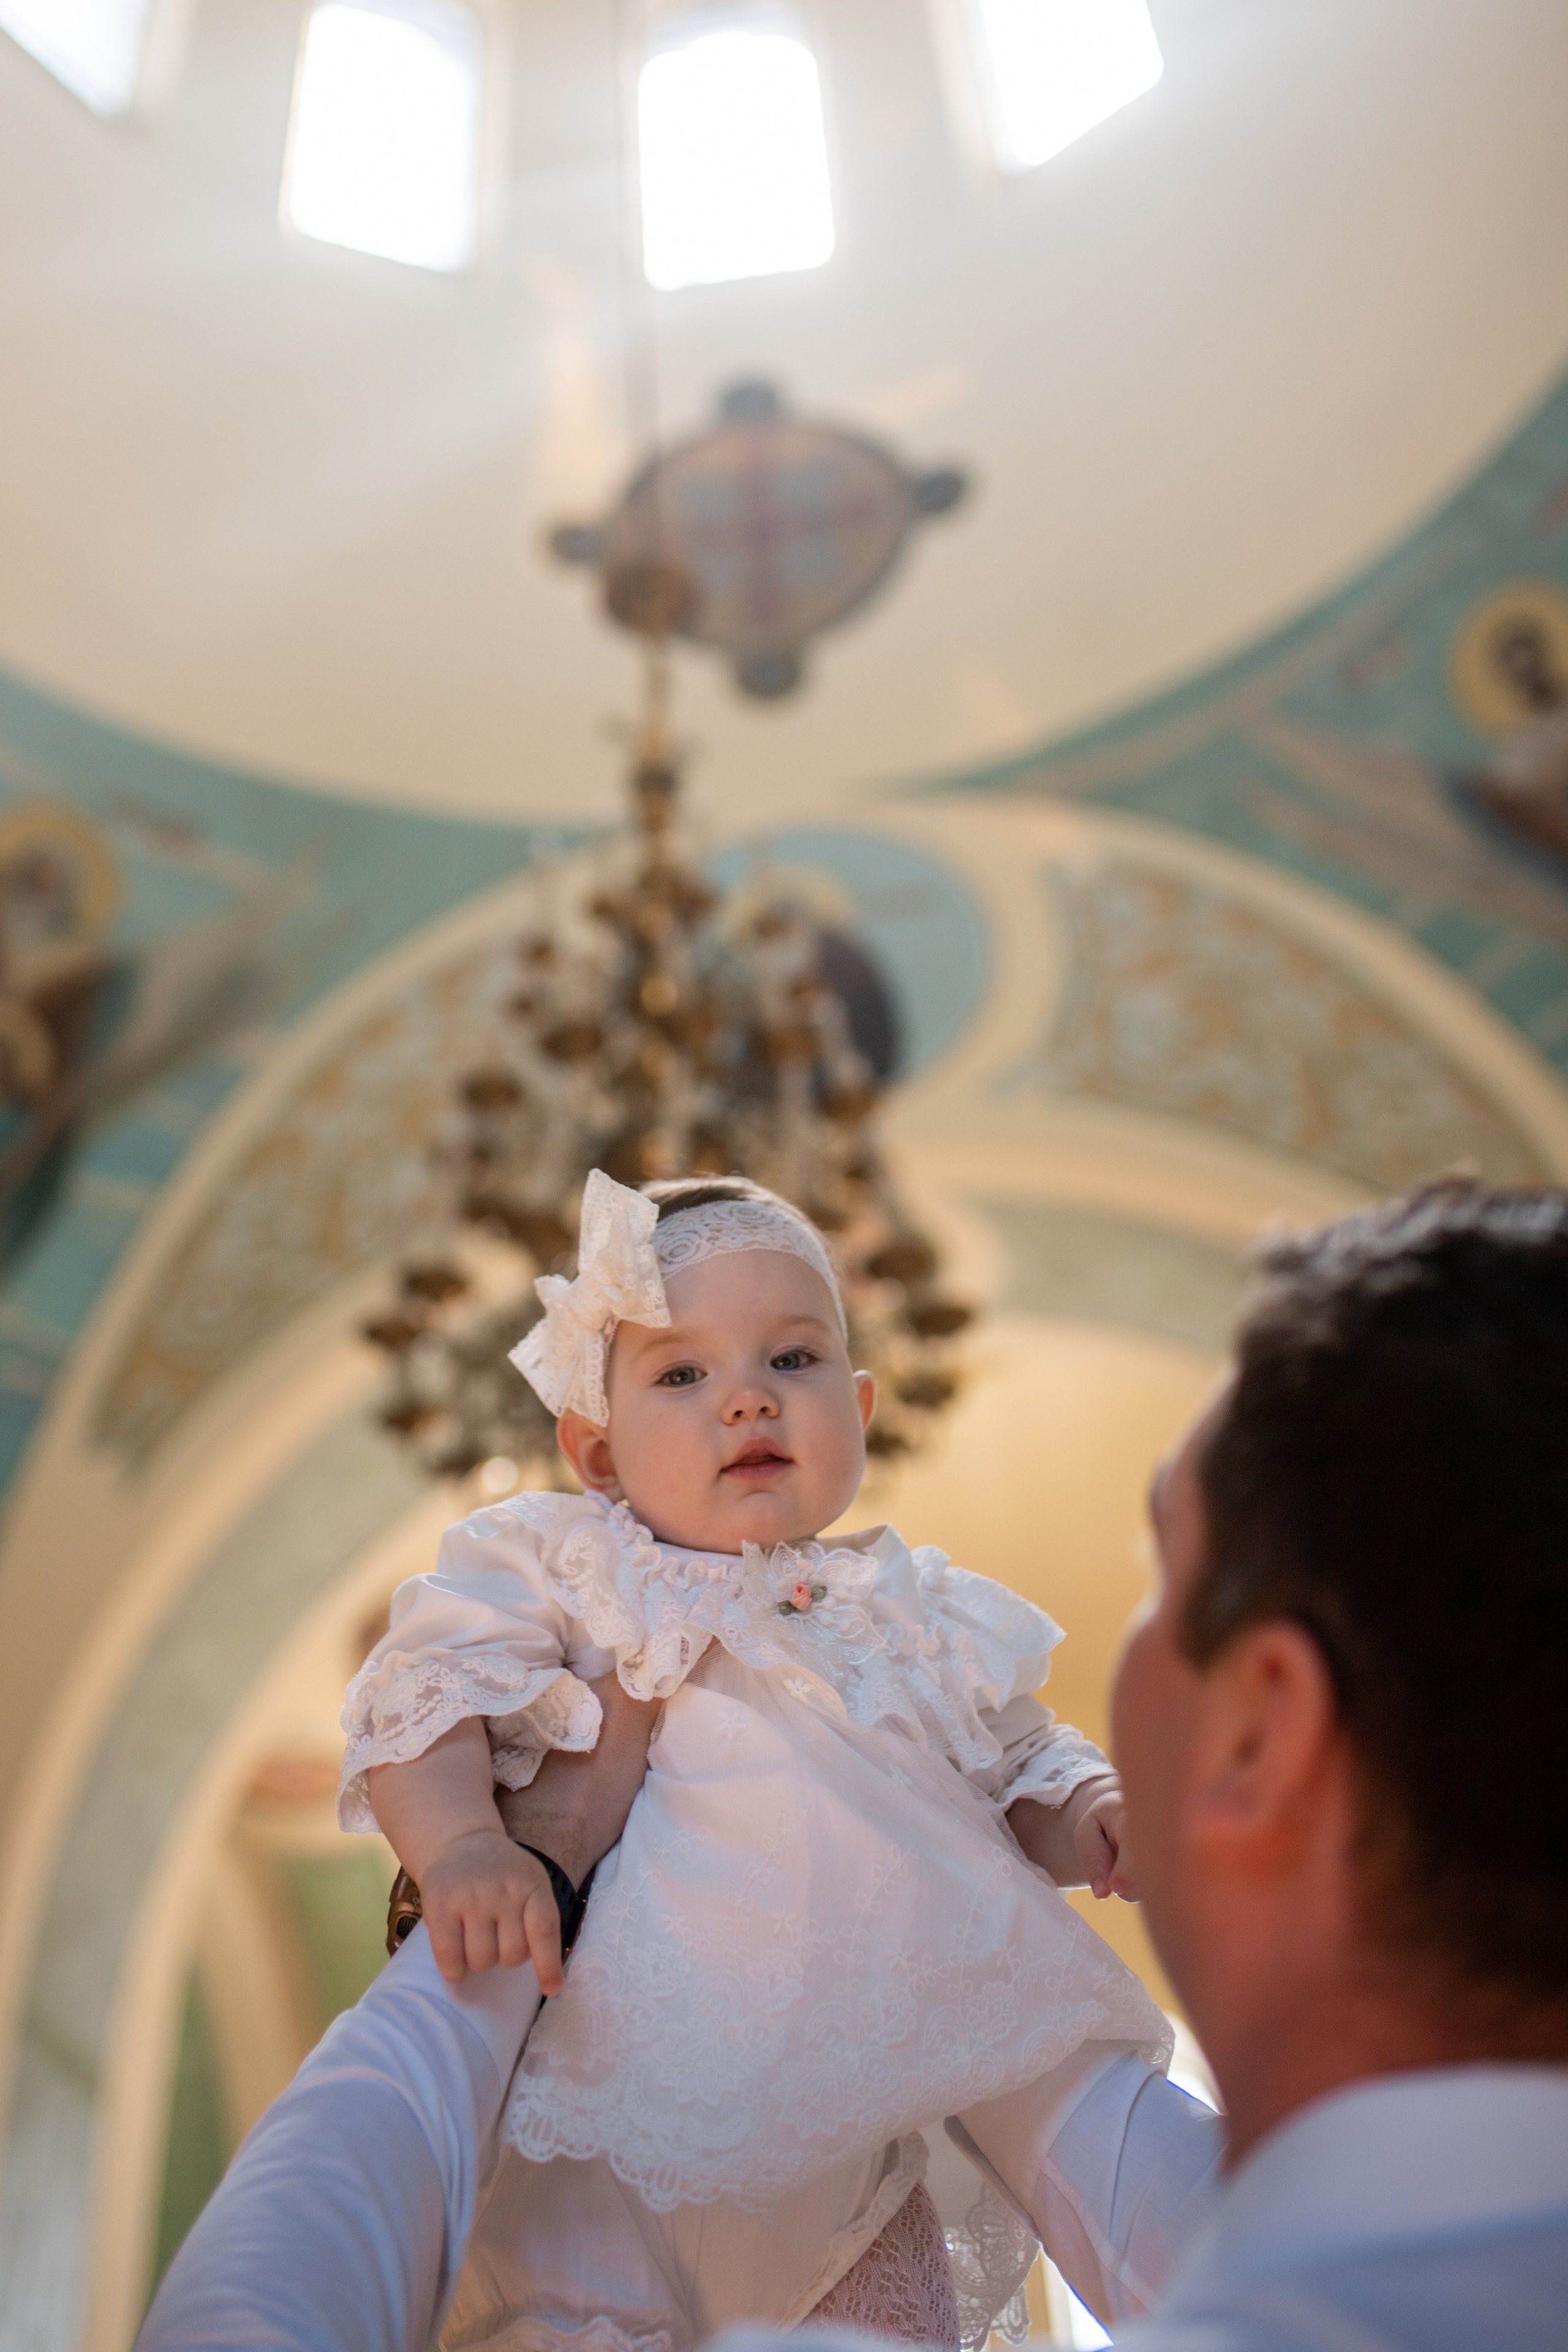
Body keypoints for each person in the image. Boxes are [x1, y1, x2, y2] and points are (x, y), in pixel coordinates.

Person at [332, 1169, 1185, 2349]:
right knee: (591, 2302)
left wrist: (1091, 1808)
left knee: (988, 2224)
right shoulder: (569, 1565)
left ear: (863, 1405)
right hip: (631, 2077)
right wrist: (467, 1842)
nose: (747, 1402)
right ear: (597, 1454)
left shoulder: (908, 1604)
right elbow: (424, 1702)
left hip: (887, 2074)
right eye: (682, 1374)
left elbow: (1020, 1757)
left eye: (792, 1361)